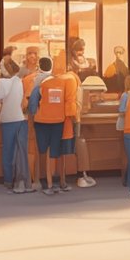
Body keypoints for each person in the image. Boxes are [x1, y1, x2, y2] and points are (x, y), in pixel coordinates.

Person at [40, 61, 82, 194]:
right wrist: (75, 118)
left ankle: (50, 183)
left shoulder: (46, 83)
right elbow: (72, 106)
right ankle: (62, 181)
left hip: (49, 122)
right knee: (62, 153)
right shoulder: (72, 81)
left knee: (50, 154)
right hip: (66, 122)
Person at [0, 57, 32, 193]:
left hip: (7, 120)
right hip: (20, 120)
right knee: (21, 151)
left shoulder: (1, 82)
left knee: (8, 151)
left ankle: (8, 180)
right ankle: (22, 180)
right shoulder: (19, 81)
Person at [24, 56, 54, 190]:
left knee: (35, 148)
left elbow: (32, 103)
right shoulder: (56, 80)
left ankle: (36, 179)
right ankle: (50, 179)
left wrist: (30, 112)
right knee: (49, 151)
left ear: (39, 66)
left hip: (39, 119)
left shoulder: (35, 80)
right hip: (55, 120)